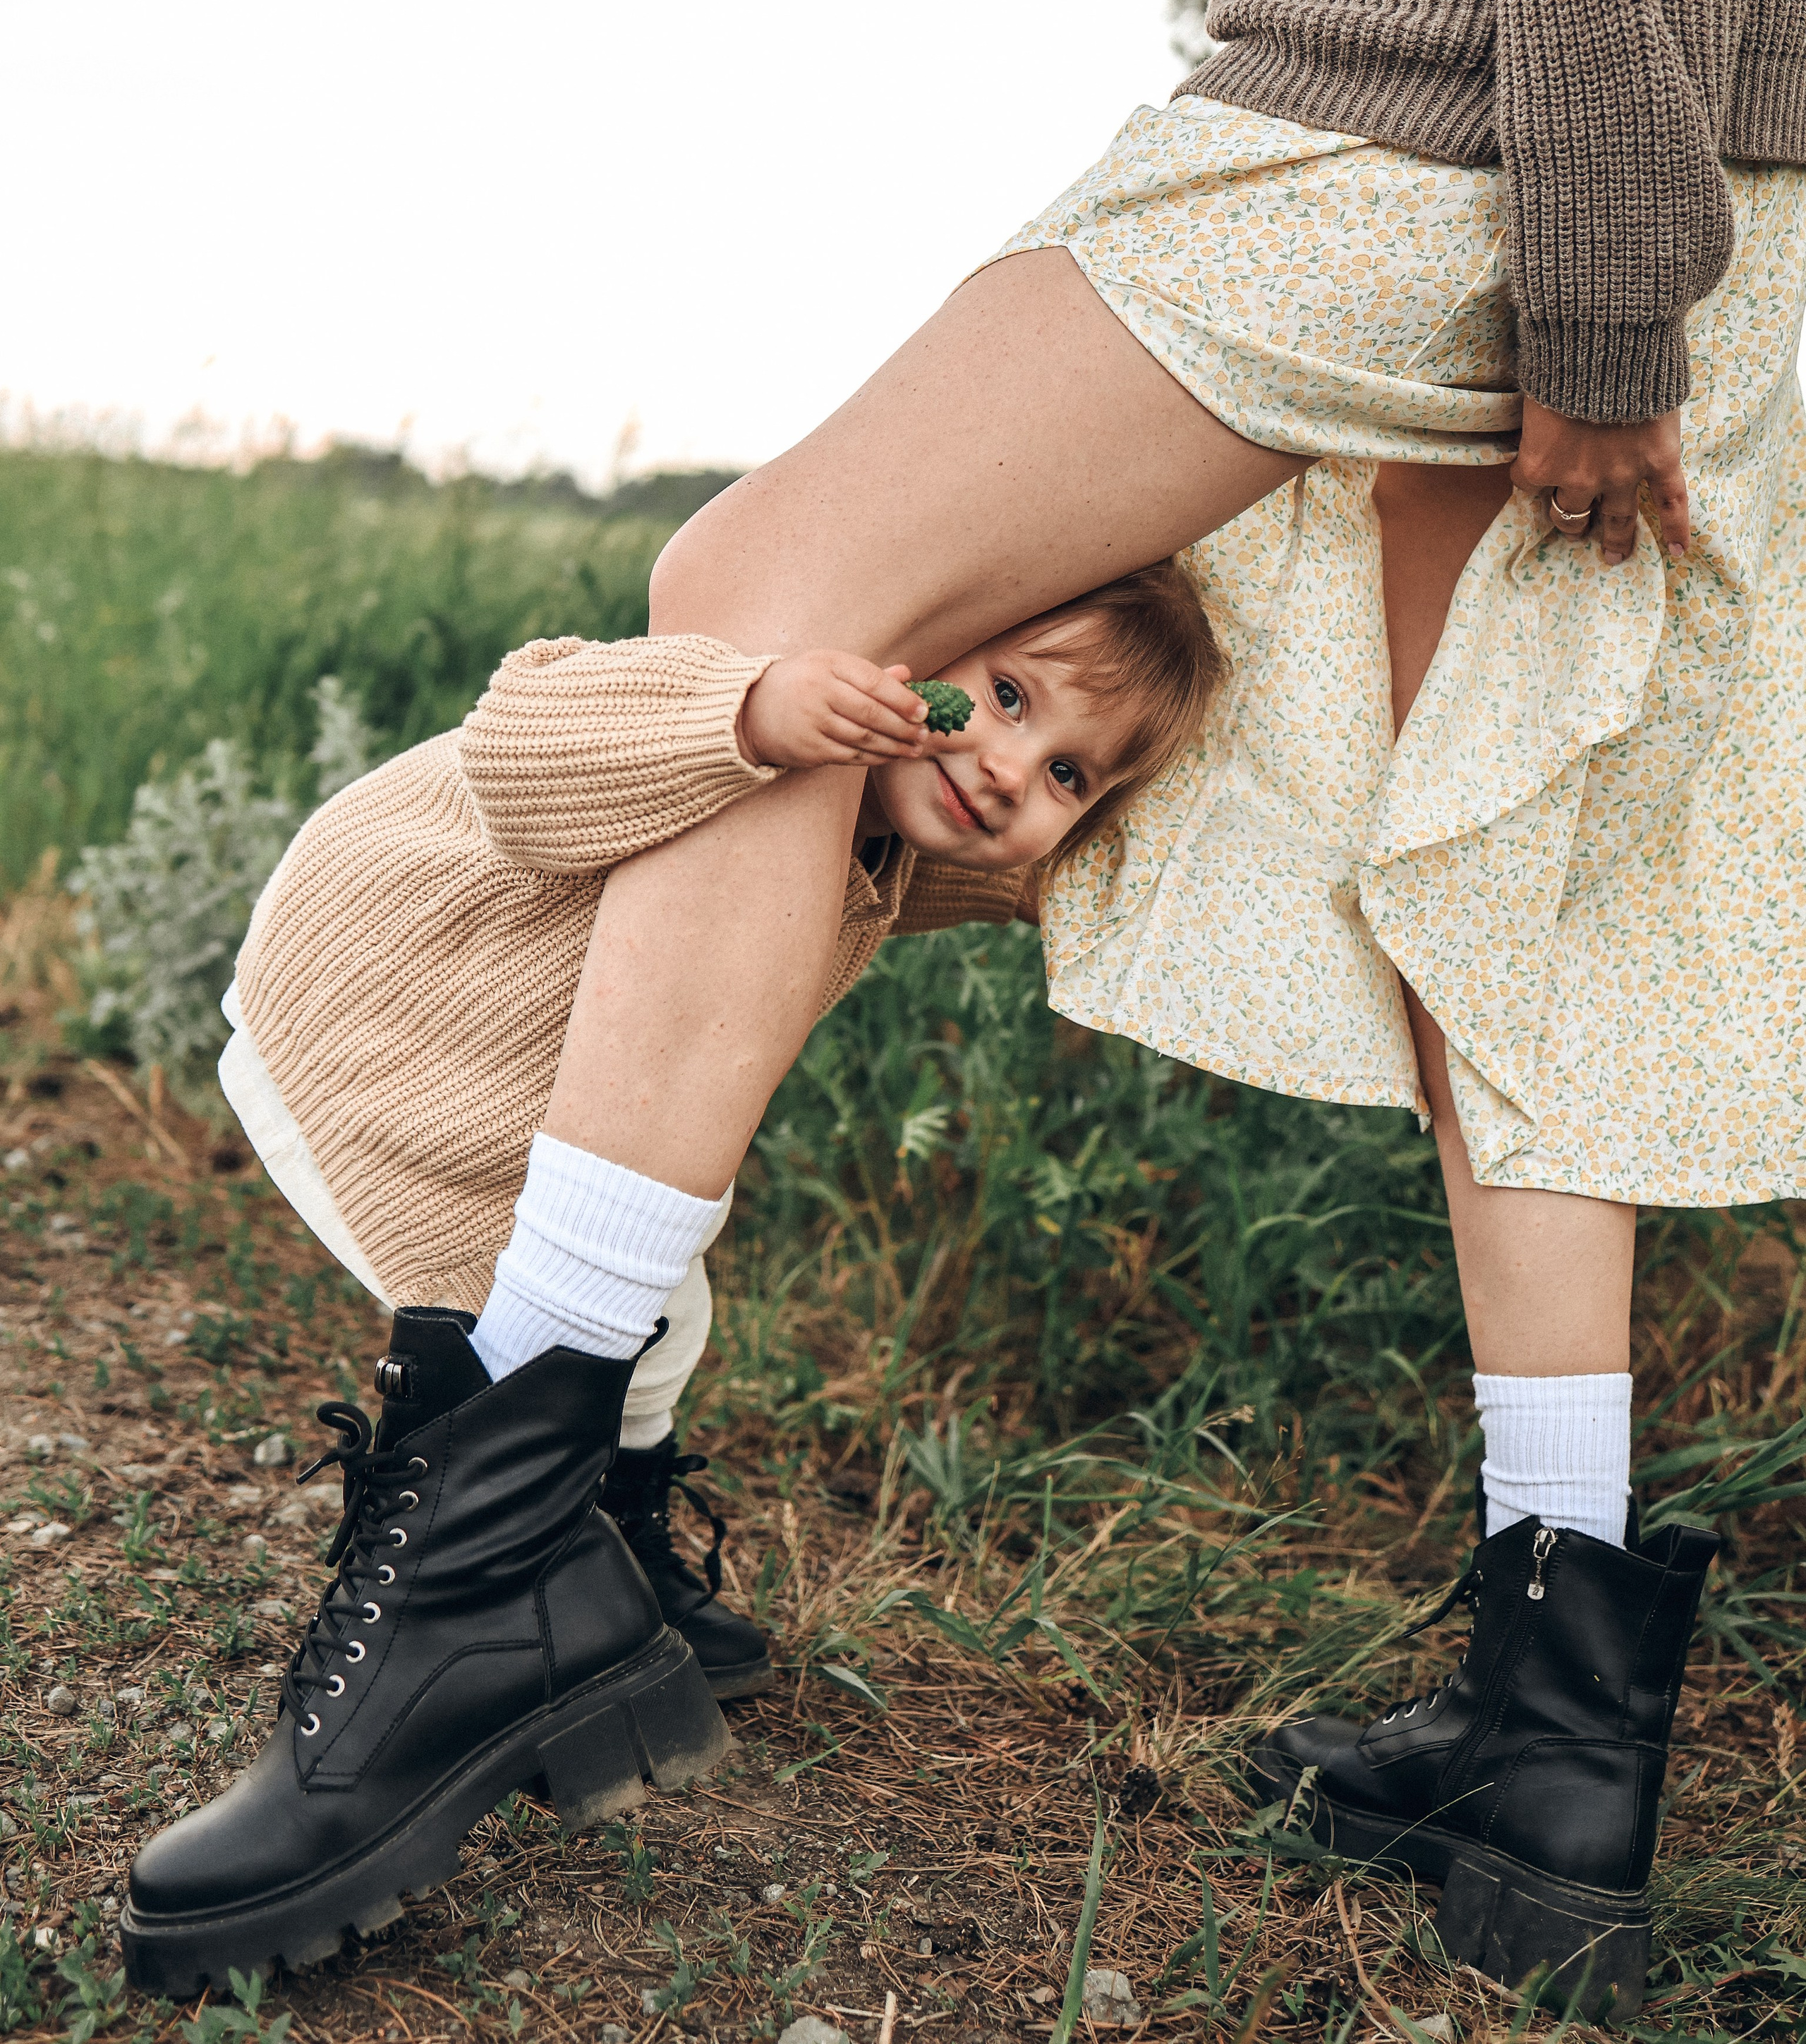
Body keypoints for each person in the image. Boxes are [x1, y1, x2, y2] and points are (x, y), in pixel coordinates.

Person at [126, 0, 1806, 2016]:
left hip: (1414, 115)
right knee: (1487, 892)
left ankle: (509, 1532)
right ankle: (1550, 1739)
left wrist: (1617, 286)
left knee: (766, 606)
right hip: (1608, 130)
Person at [117, 566, 1219, 1993]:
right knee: (514, 1335)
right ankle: (497, 1582)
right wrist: (751, 705)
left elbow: (1056, 873)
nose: (1008, 767)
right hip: (382, 1025)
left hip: (487, 1065)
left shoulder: (892, 828)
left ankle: (601, 1571)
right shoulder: (733, 697)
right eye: (1001, 695)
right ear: (925, 636)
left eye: (1065, 768)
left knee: (657, 1296)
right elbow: (521, 739)